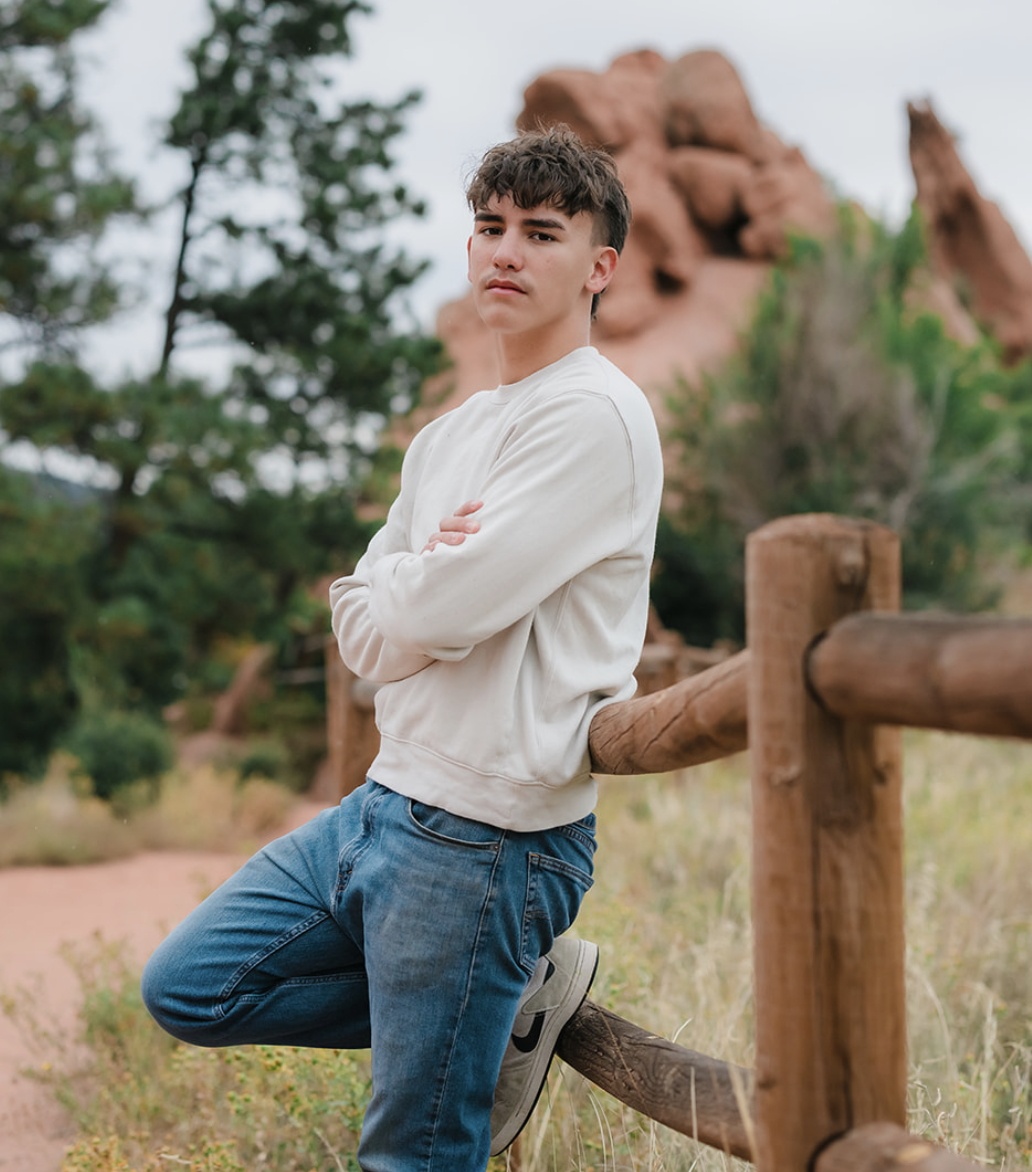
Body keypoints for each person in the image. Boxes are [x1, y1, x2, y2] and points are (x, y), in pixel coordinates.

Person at [140, 125, 664, 1172]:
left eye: (541, 233)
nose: (505, 252)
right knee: (190, 984)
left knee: (409, 1154)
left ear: (599, 267)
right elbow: (367, 629)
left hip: (487, 837)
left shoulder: (596, 418)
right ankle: (499, 995)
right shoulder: (450, 434)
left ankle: (482, 990)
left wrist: (413, 585)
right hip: (380, 805)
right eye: (489, 227)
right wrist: (412, 582)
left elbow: (425, 615)